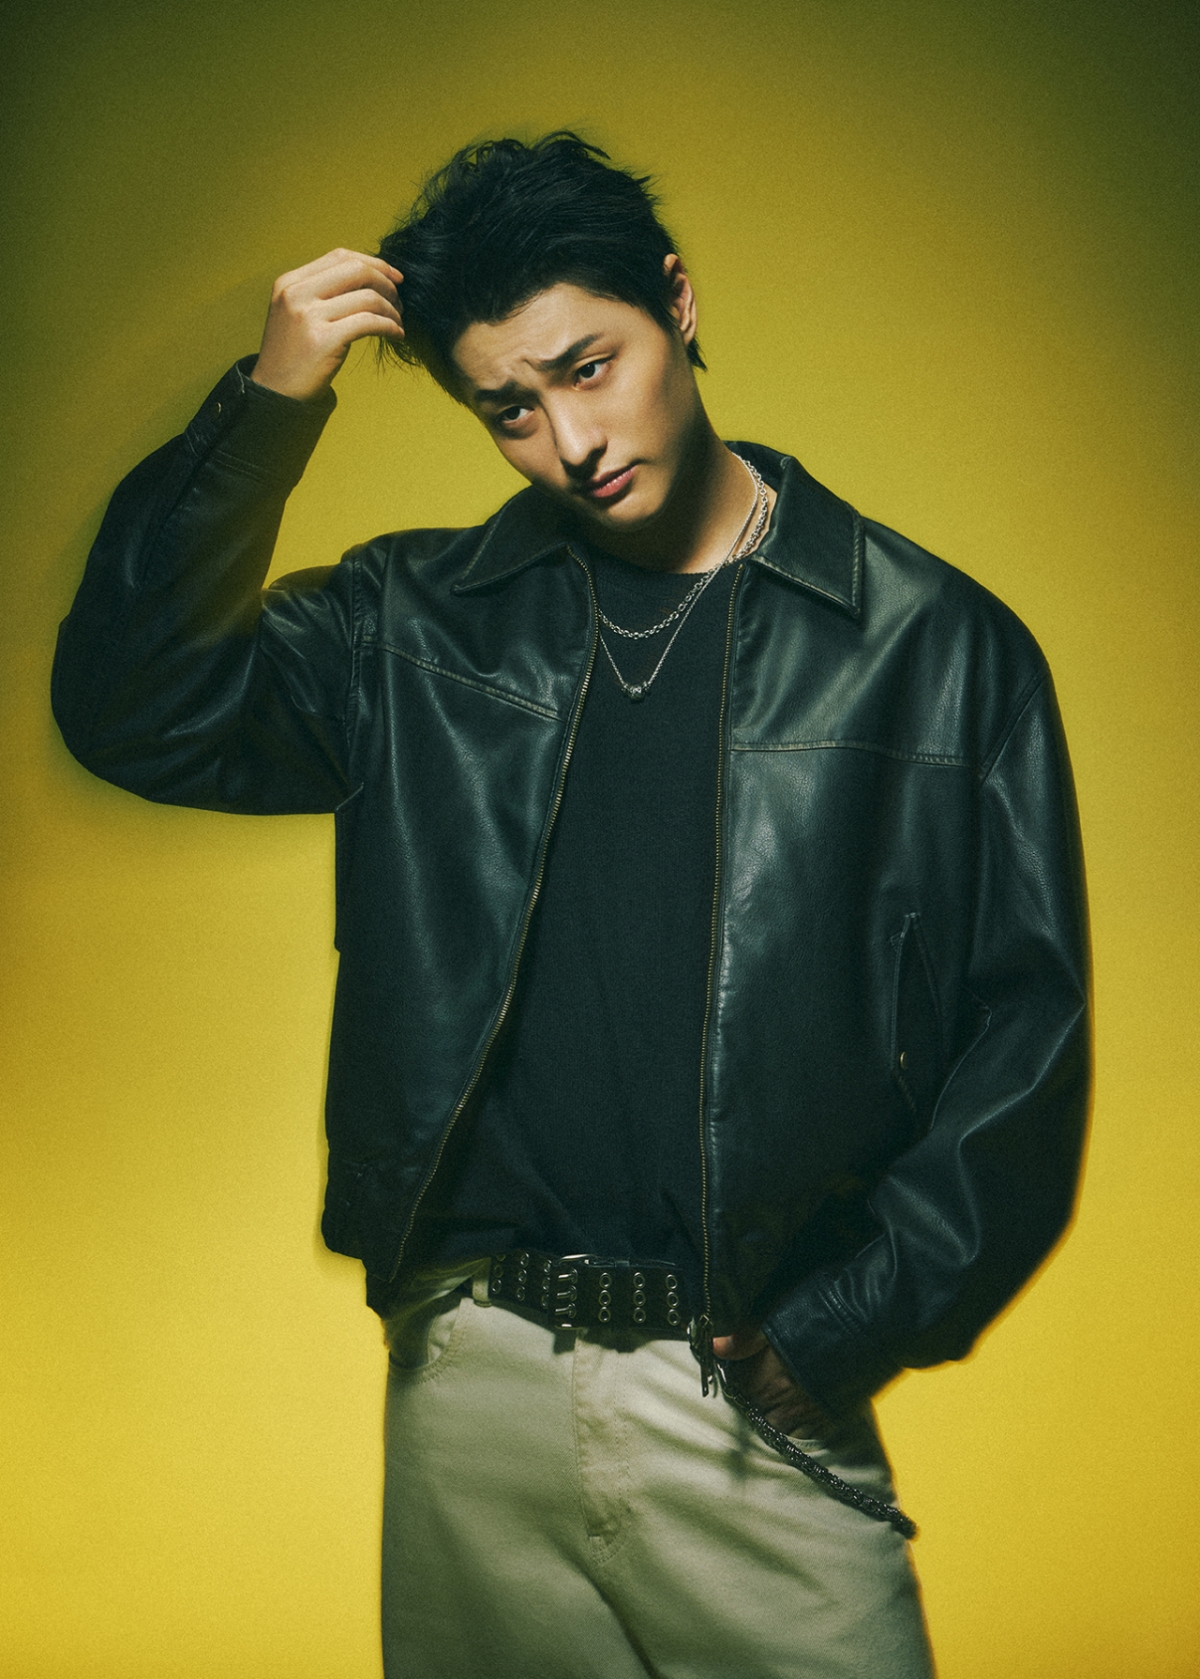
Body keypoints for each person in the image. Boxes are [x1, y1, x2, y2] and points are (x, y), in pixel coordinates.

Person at [52, 133, 1090, 1678]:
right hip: (476, 1386)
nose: (572, 441)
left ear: (677, 302)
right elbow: (137, 712)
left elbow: (1027, 1040)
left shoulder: (933, 648)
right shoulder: (409, 627)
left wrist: (845, 1327)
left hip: (747, 1391)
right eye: (510, 411)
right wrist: (267, 409)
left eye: (589, 367)